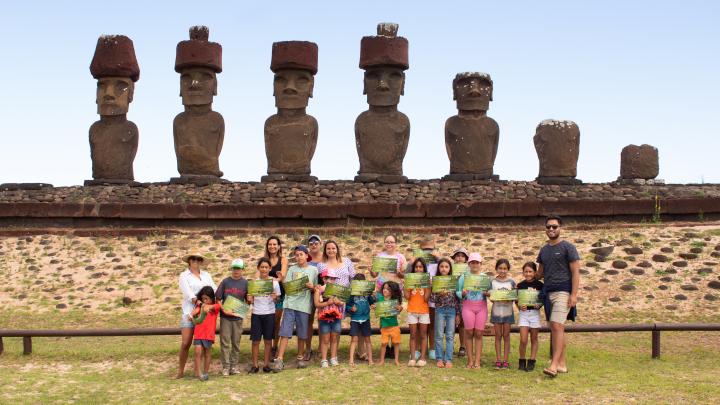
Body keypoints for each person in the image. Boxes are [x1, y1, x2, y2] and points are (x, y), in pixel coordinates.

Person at [536, 215, 580, 378]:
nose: (551, 229)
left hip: (563, 291)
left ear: (560, 228)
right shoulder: (543, 250)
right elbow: (540, 273)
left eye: (554, 226)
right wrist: (527, 276)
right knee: (556, 328)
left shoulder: (568, 247)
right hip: (548, 292)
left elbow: (576, 271)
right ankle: (562, 364)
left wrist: (574, 294)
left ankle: (553, 365)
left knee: (556, 326)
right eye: (548, 227)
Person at [273, 245, 318, 372]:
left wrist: (312, 287)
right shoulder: (292, 269)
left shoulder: (314, 270)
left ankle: (300, 357)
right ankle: (280, 359)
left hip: (304, 305)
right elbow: (287, 286)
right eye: (296, 255)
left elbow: (316, 288)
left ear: (306, 255)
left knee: (302, 333)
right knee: (285, 332)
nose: (299, 257)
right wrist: (281, 280)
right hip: (290, 304)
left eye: (301, 254)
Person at [176, 252, 216, 379]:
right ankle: (180, 371)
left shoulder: (206, 275)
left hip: (205, 314)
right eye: (193, 259)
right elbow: (189, 294)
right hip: (189, 312)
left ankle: (198, 371)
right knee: (186, 342)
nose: (195, 261)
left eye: (198, 259)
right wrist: (200, 303)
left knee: (202, 344)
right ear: (189, 261)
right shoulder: (183, 276)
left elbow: (214, 290)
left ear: (200, 261)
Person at [371, 235, 406, 360]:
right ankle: (385, 343)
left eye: (392, 242)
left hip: (395, 290)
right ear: (384, 243)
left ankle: (392, 346)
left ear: (396, 243)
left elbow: (403, 275)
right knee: (383, 315)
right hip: (382, 289)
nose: (389, 244)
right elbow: (374, 274)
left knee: (393, 315)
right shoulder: (380, 256)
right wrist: (371, 270)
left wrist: (398, 273)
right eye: (387, 242)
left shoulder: (401, 257)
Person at [215, 258, 248, 376]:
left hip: (238, 317)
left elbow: (248, 301)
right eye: (234, 268)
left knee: (236, 343)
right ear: (231, 269)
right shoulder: (225, 282)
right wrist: (223, 308)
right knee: (225, 342)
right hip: (225, 318)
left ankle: (234, 366)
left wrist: (249, 300)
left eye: (238, 268)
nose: (236, 271)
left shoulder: (245, 283)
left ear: (242, 269)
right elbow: (218, 298)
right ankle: (225, 367)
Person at [247, 258, 281, 373]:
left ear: (270, 269)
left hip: (269, 313)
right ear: (258, 268)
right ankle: (255, 365)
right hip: (256, 313)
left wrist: (275, 297)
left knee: (268, 340)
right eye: (262, 267)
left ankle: (266, 365)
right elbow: (250, 300)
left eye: (266, 267)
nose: (264, 269)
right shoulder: (254, 283)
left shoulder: (274, 283)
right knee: (255, 341)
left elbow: (278, 299)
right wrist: (250, 299)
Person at [456, 253, 488, 369]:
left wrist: (487, 293)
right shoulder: (464, 277)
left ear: (481, 264)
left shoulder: (485, 277)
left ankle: (477, 361)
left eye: (477, 262)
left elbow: (490, 292)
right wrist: (462, 293)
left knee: (479, 333)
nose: (475, 264)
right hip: (468, 306)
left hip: (481, 307)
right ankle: (470, 360)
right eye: (472, 262)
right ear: (469, 264)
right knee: (469, 332)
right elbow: (458, 292)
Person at [411, 237, 439, 360]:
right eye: (425, 249)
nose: (428, 252)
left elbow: (448, 271)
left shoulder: (437, 262)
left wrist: (439, 257)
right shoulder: (416, 263)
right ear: (420, 250)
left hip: (432, 296)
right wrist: (411, 262)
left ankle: (432, 348)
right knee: (417, 326)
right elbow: (408, 275)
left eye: (430, 249)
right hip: (418, 298)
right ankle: (417, 348)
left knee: (431, 324)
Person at [431, 258, 460, 368]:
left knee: (450, 336)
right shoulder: (436, 281)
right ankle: (439, 358)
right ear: (439, 268)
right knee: (438, 335)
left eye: (446, 267)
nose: (444, 269)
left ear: (450, 269)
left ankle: (448, 359)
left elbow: (457, 299)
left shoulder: (454, 280)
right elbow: (432, 299)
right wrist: (439, 294)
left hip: (452, 311)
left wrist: (458, 313)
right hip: (440, 311)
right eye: (442, 266)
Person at [190, 286, 223, 381]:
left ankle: (206, 372)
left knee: (207, 353)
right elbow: (194, 312)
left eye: (206, 298)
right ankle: (199, 373)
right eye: (203, 298)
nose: (204, 300)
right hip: (198, 333)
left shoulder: (215, 307)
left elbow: (215, 306)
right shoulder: (199, 306)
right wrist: (191, 315)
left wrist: (205, 306)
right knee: (197, 352)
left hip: (208, 334)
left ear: (212, 298)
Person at [516, 261, 544, 372]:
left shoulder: (540, 285)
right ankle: (522, 360)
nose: (528, 274)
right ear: (523, 272)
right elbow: (516, 300)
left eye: (530, 271)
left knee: (534, 338)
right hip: (524, 314)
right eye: (526, 271)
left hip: (535, 314)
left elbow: (542, 299)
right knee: (523, 340)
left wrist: (540, 305)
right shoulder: (520, 285)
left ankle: (532, 361)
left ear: (535, 272)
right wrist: (519, 306)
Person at [264, 236, 288, 357]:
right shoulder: (263, 260)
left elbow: (282, 276)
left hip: (280, 295)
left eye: (274, 244)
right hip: (265, 295)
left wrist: (274, 279)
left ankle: (275, 345)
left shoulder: (283, 259)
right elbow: (258, 275)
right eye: (270, 244)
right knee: (268, 320)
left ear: (278, 246)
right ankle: (267, 344)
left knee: (276, 320)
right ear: (267, 246)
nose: (272, 246)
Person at [489, 258, 516, 370]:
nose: (502, 271)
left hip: (508, 312)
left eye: (505, 268)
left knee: (506, 336)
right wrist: (491, 295)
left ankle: (505, 360)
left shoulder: (511, 282)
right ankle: (498, 359)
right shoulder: (492, 282)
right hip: (496, 312)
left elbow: (515, 296)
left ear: (508, 269)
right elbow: (490, 296)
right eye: (500, 268)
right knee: (498, 336)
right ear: (496, 269)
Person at [314, 269, 344, 367]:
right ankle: (324, 359)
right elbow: (317, 304)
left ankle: (333, 357)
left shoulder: (338, 289)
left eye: (333, 278)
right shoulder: (319, 290)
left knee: (335, 337)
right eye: (328, 278)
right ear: (323, 278)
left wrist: (338, 302)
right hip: (324, 317)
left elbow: (343, 302)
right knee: (325, 339)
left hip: (336, 316)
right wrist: (327, 303)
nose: (330, 280)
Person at [404, 258, 430, 367]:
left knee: (423, 335)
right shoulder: (410, 280)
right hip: (412, 310)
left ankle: (423, 358)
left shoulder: (427, 281)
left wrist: (429, 286)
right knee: (413, 335)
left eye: (420, 267)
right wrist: (406, 286)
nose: (418, 269)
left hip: (423, 311)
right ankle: (413, 357)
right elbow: (407, 297)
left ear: (424, 268)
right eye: (416, 267)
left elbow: (426, 299)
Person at [371, 280, 403, 366]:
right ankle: (382, 361)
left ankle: (396, 360)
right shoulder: (380, 299)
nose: (385, 290)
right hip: (384, 326)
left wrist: (399, 308)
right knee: (384, 344)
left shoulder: (395, 300)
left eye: (388, 289)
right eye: (384, 288)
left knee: (396, 343)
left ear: (392, 291)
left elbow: (400, 309)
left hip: (394, 326)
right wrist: (374, 307)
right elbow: (375, 307)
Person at [346, 273, 375, 366]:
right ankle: (351, 360)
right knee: (354, 339)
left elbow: (372, 302)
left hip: (366, 318)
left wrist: (374, 302)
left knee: (368, 339)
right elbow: (347, 305)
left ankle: (370, 360)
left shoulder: (367, 293)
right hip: (355, 319)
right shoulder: (351, 294)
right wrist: (351, 308)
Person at [304, 234, 322, 362]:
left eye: (316, 242)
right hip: (308, 294)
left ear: (320, 244)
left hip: (322, 294)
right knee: (308, 322)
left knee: (323, 320)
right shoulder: (306, 260)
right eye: (311, 243)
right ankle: (308, 349)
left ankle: (322, 348)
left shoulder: (324, 259)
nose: (314, 245)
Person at [451, 247, 470, 357]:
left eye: (462, 256)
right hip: (452, 298)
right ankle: (451, 345)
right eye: (458, 256)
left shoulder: (468, 271)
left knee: (462, 323)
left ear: (466, 259)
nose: (460, 258)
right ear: (454, 258)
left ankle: (462, 346)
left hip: (464, 299)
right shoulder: (451, 269)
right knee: (452, 323)